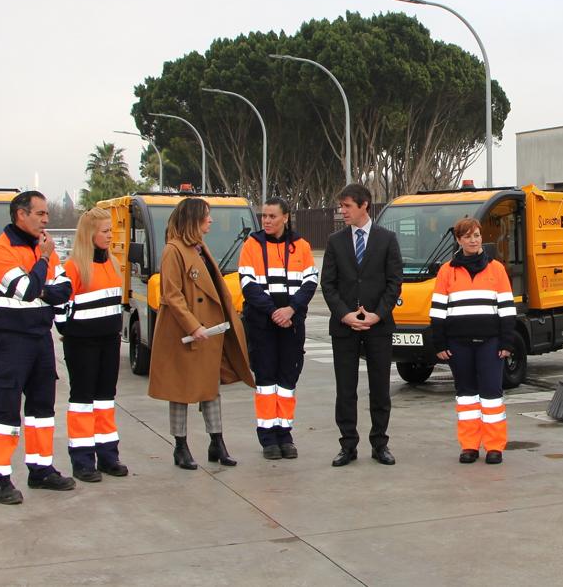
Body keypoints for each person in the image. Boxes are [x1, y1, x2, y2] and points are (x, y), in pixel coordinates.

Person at [0, 190, 75, 504]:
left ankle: (41, 469)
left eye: (46, 214)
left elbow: (64, 288)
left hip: (39, 336)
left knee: (42, 408)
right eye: (40, 213)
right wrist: (43, 266)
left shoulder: (43, 246)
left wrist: (42, 286)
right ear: (21, 214)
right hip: (10, 339)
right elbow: (28, 289)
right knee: (6, 408)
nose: (46, 219)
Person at [147, 197, 254, 470]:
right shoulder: (173, 250)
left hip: (210, 330)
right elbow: (171, 294)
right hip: (186, 333)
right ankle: (180, 447)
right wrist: (192, 325)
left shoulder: (199, 248)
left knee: (210, 388)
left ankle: (217, 442)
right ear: (193, 219)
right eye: (207, 216)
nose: (211, 220)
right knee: (180, 389)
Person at [320, 183, 402, 467]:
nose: (342, 211)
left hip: (378, 326)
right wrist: (345, 315)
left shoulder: (387, 239)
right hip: (344, 327)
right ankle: (348, 445)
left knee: (380, 388)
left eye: (347, 206)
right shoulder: (335, 241)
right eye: (341, 206)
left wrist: (378, 314)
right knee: (346, 389)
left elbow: (394, 283)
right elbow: (328, 285)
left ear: (364, 205)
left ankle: (380, 444)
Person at [431, 217, 517, 465]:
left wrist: (506, 343)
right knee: (466, 396)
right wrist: (440, 343)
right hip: (458, 344)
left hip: (490, 343)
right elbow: (438, 310)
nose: (473, 240)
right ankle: (469, 446)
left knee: (492, 395)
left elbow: (507, 310)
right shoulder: (447, 270)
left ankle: (494, 447)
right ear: (459, 240)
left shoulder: (496, 269)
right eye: (467, 236)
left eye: (476, 235)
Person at [238, 198, 318, 460]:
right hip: (263, 325)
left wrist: (290, 310)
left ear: (286, 217)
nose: (267, 221)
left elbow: (309, 283)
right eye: (264, 216)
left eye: (272, 216)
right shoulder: (251, 245)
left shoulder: (302, 247)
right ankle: (268, 438)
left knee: (287, 381)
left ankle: (285, 434)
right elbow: (248, 284)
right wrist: (274, 311)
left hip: (291, 326)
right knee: (265, 381)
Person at [55, 207, 127, 483]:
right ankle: (83, 460)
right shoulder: (73, 267)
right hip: (82, 345)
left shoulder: (111, 262)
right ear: (90, 234)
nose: (111, 236)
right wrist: (71, 331)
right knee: (83, 402)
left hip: (109, 343)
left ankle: (108, 455)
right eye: (106, 231)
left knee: (105, 400)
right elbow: (60, 308)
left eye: (111, 230)